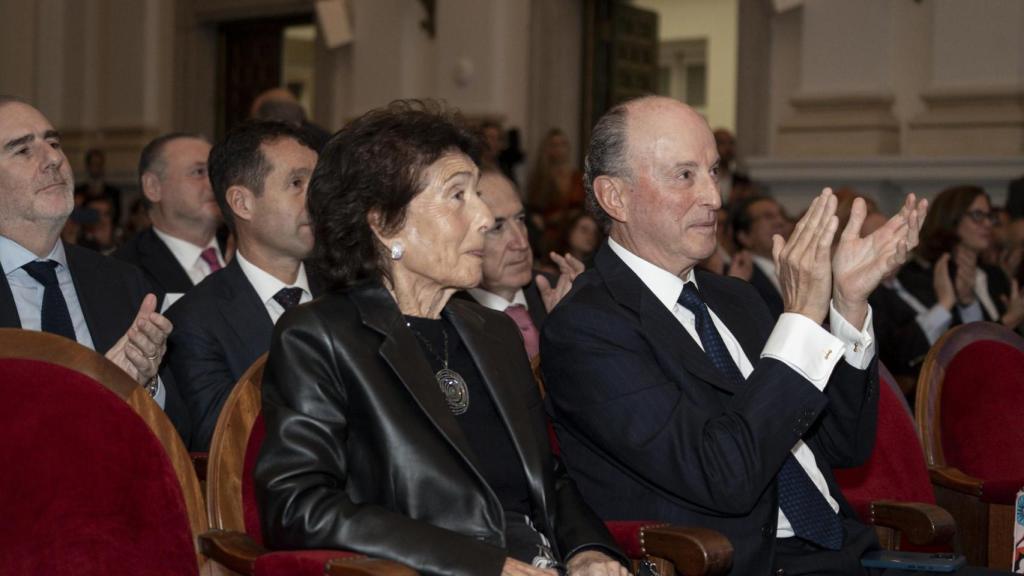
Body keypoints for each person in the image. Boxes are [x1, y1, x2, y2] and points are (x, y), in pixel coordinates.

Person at [540, 96, 943, 576]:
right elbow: (724, 475)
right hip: (734, 562)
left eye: (714, 171)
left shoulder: (736, 299)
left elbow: (845, 445)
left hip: (849, 553)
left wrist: (848, 304)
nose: (714, 196)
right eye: (684, 175)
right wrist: (800, 318)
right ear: (614, 197)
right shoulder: (588, 326)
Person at [254, 100, 627, 576]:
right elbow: (298, 508)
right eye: (457, 196)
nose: (484, 217)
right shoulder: (321, 337)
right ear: (384, 224)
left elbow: (548, 480)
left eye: (477, 194)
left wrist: (588, 551)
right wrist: (481, 565)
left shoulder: (494, 333)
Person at [0, 96, 176, 413]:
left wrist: (145, 382)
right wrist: (102, 388)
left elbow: (180, 427)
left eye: (54, 143)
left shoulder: (121, 281)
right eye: (23, 150)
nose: (53, 158)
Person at [165, 121, 321, 451]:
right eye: (297, 183)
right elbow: (225, 441)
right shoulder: (194, 321)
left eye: (317, 182)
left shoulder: (350, 291)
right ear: (242, 203)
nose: (317, 198)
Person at [460, 170, 583, 360]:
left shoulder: (561, 294)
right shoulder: (452, 320)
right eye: (497, 228)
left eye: (520, 220)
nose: (522, 243)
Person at [113, 133, 225, 308]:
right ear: (153, 187)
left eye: (217, 172)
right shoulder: (122, 273)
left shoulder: (248, 250)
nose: (214, 183)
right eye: (198, 172)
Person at [898, 185, 1024, 332]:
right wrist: (1010, 320)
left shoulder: (994, 274)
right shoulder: (921, 275)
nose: (988, 224)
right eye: (977, 215)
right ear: (952, 218)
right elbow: (948, 341)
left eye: (990, 216)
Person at [730, 195, 789, 317]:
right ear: (744, 236)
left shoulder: (795, 267)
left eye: (782, 215)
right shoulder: (737, 276)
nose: (780, 222)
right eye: (768, 217)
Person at [74, 148, 123, 225]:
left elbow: (116, 218)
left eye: (98, 164)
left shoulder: (113, 193)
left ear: (103, 166)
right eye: (93, 164)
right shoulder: (78, 192)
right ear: (87, 166)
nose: (96, 168)